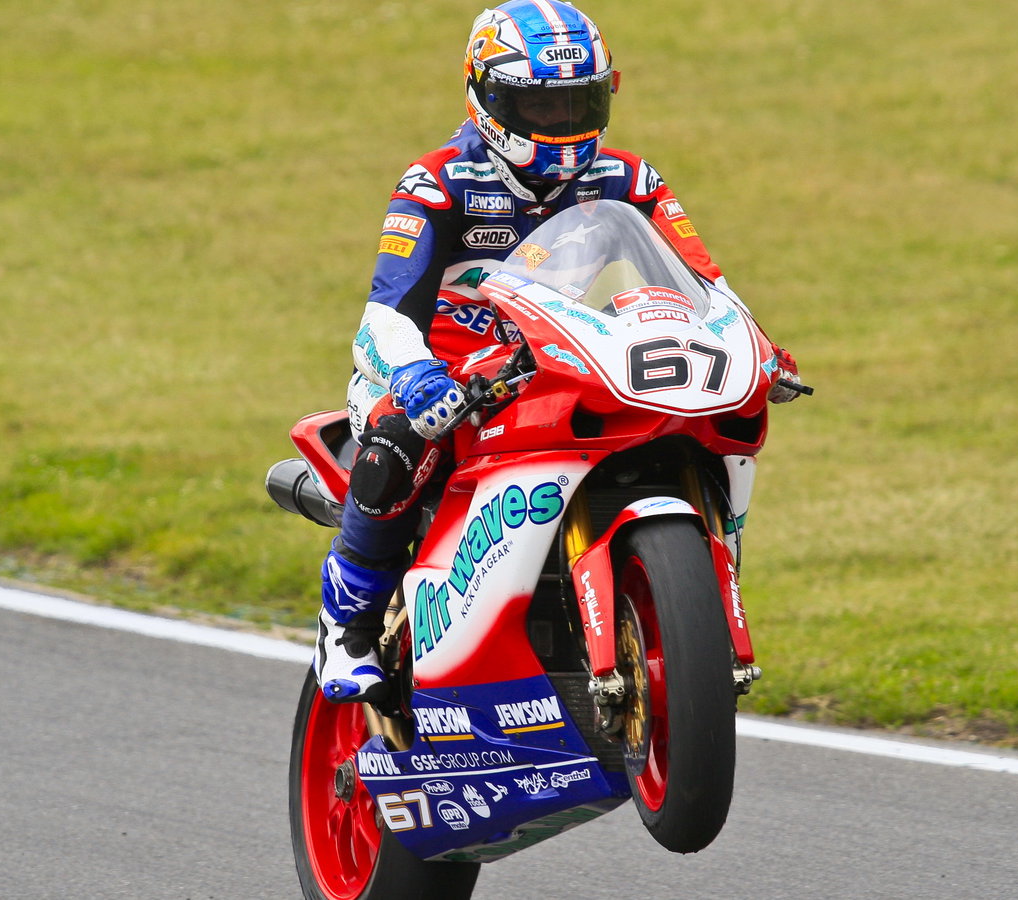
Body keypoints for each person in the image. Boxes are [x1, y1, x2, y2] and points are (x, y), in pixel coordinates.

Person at [315, 0, 801, 703]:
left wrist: (756, 346)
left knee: (701, 415)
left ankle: (676, 588)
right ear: (486, 98)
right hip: (446, 373)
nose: (564, 129)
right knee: (400, 432)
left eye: (581, 104)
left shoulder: (632, 179)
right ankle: (348, 618)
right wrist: (416, 375)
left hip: (561, 359)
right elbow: (381, 319)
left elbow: (707, 283)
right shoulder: (436, 183)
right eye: (540, 109)